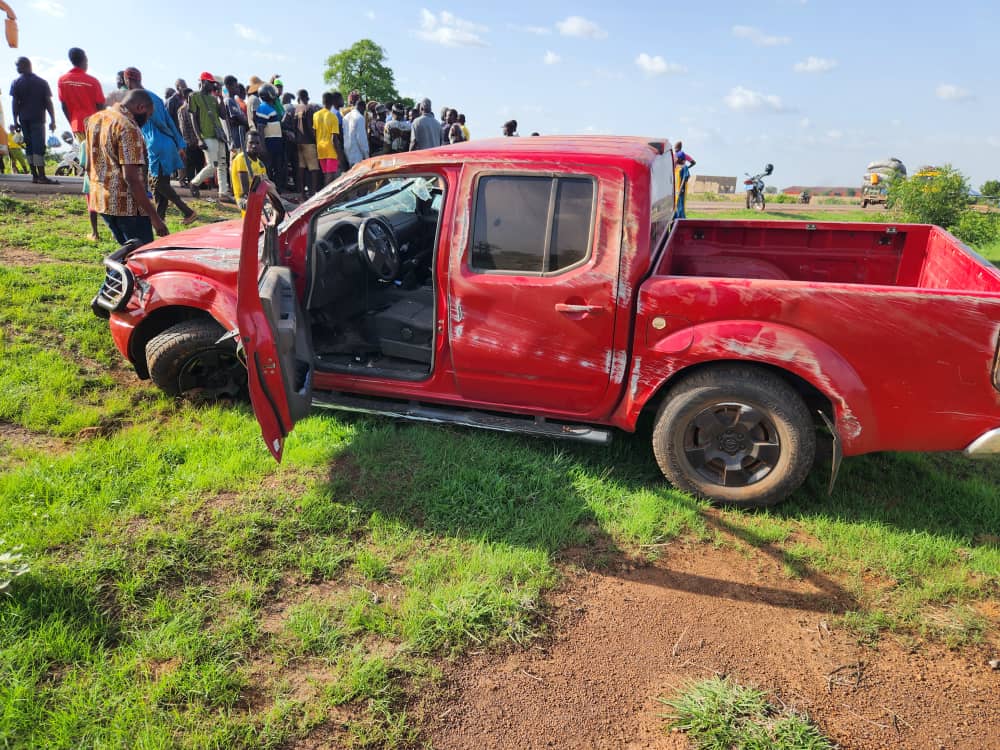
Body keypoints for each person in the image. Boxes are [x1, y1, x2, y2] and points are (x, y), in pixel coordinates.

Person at [85, 89, 168, 245]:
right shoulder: (127, 127)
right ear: (140, 108)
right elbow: (131, 178)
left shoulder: (95, 119)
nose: (147, 120)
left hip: (103, 202)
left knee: (125, 254)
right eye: (149, 115)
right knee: (140, 258)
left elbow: (89, 165)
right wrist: (155, 218)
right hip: (128, 208)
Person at [123, 67, 196, 225]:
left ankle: (188, 211)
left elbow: (160, 122)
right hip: (164, 143)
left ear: (127, 79)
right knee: (158, 185)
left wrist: (175, 142)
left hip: (157, 144)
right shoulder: (154, 97)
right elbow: (169, 121)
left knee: (158, 183)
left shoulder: (140, 99)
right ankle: (159, 219)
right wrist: (178, 143)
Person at [59, 49, 105, 240]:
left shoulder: (63, 80)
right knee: (99, 167)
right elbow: (101, 105)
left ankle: (94, 231)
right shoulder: (92, 81)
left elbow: (63, 105)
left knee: (90, 170)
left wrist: (72, 122)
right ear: (84, 60)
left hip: (78, 126)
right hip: (96, 125)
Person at [9, 56, 58, 184]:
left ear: (26, 65)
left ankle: (35, 176)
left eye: (18, 66)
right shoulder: (42, 82)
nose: (17, 68)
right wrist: (53, 120)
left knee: (29, 148)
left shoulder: (16, 83)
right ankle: (41, 176)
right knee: (38, 147)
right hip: (38, 119)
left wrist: (15, 120)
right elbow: (48, 102)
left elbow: (15, 103)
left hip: (24, 119)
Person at [188, 72, 230, 200]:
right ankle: (194, 183)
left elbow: (223, 115)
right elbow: (193, 118)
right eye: (211, 83)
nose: (213, 86)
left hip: (218, 135)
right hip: (207, 135)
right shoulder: (194, 96)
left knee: (222, 165)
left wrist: (221, 98)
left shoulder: (213, 98)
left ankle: (223, 193)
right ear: (203, 82)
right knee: (213, 165)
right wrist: (199, 138)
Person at [230, 130, 267, 216]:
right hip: (244, 199)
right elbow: (246, 191)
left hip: (259, 197)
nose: (254, 146)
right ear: (246, 143)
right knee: (270, 210)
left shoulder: (260, 164)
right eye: (251, 143)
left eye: (257, 143)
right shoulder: (242, 158)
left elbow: (266, 183)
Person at [314, 91, 346, 185]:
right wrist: (340, 155)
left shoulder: (316, 115)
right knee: (330, 176)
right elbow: (334, 139)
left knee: (326, 175)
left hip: (320, 148)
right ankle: (327, 197)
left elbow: (315, 133)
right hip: (330, 150)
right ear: (332, 102)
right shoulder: (333, 117)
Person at [294, 89, 320, 200]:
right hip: (309, 142)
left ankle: (302, 194)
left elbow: (294, 126)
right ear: (307, 97)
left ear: (298, 98)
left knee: (301, 169)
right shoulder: (309, 108)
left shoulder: (296, 109)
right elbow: (310, 127)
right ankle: (313, 194)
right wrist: (316, 139)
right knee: (313, 169)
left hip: (299, 142)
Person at [342, 96, 368, 167]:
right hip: (358, 154)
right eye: (364, 110)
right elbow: (361, 139)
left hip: (348, 153)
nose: (364, 112)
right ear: (361, 107)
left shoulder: (345, 117)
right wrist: (366, 155)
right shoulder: (360, 118)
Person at [673, 140, 695, 219]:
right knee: (676, 204)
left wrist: (681, 188)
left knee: (680, 204)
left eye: (677, 158)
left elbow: (685, 178)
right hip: (676, 189)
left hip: (680, 189)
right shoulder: (677, 167)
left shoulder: (684, 167)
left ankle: (681, 218)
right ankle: (676, 217)